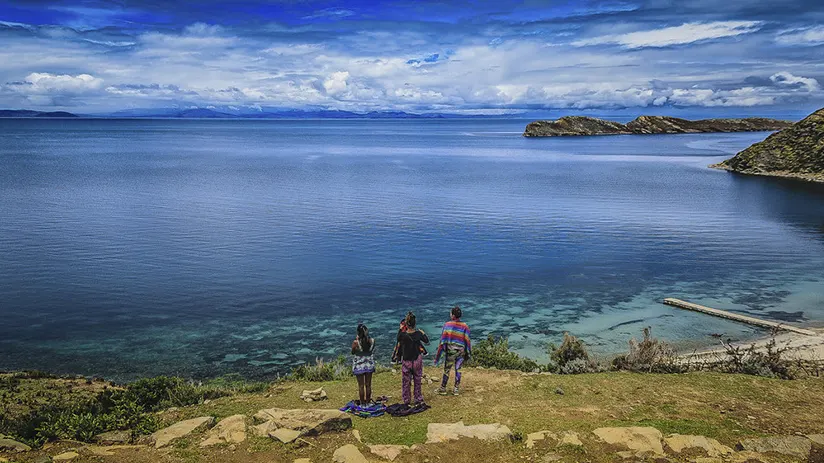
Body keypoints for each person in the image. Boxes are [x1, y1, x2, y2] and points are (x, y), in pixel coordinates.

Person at [434, 305, 471, 396]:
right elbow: (467, 340)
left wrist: (438, 356)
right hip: (461, 352)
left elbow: (442, 341)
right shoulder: (465, 326)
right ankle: (456, 389)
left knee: (447, 369)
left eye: (451, 313)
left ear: (453, 315)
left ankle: (443, 388)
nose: (450, 314)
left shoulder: (447, 325)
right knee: (458, 369)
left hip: (450, 352)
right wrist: (468, 352)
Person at [396, 312, 429, 405]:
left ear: (406, 324)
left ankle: (406, 400)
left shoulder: (402, 335)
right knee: (417, 379)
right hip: (417, 359)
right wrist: (423, 333)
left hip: (407, 360)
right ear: (415, 324)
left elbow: (398, 338)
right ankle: (418, 398)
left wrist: (400, 329)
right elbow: (426, 341)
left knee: (406, 381)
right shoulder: (418, 334)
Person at [351, 323, 375, 405]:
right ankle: (368, 402)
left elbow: (353, 352)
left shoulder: (356, 342)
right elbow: (370, 350)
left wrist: (357, 340)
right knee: (368, 385)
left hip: (359, 366)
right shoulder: (372, 341)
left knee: (361, 386)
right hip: (369, 364)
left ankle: (362, 404)